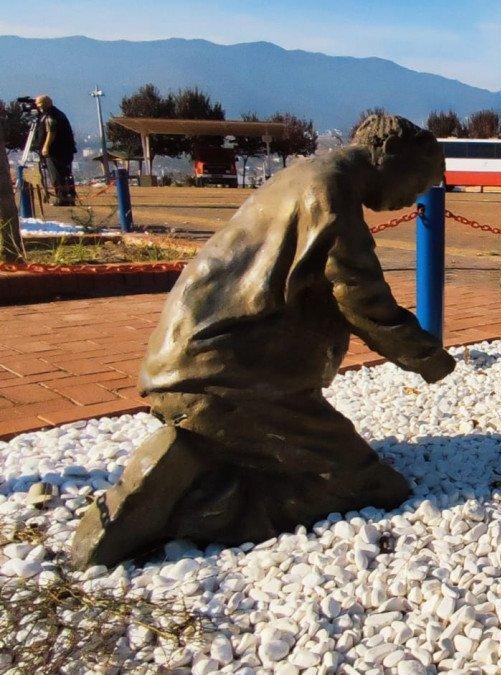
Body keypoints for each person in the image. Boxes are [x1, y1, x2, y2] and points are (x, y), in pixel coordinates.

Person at [71, 114, 455, 568]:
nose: (415, 197)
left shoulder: (304, 176)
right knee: (375, 486)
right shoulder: (328, 195)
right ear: (390, 156)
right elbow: (361, 298)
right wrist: (428, 358)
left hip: (197, 364)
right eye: (419, 181)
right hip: (223, 378)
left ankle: (204, 452)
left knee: (291, 455)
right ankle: (187, 509)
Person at [33, 95, 77, 206]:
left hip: (55, 151)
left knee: (57, 175)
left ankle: (62, 198)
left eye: (40, 105)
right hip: (65, 150)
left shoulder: (50, 115)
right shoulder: (59, 114)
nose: (38, 107)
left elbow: (51, 131)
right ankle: (69, 196)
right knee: (66, 174)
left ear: (47, 104)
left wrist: (46, 146)